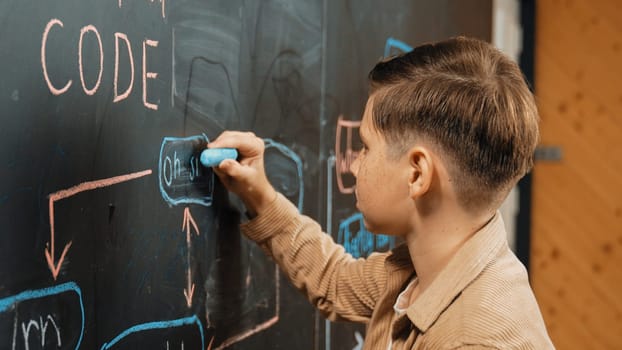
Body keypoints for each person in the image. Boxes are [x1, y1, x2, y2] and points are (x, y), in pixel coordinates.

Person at [208, 36, 555, 349]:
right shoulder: (430, 268)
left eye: (365, 147)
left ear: (417, 173)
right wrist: (260, 196)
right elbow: (336, 282)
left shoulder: (475, 341)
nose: (354, 165)